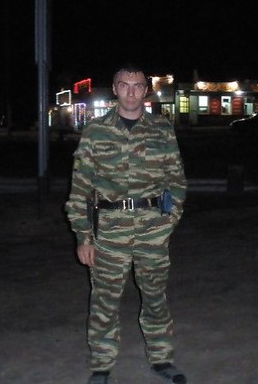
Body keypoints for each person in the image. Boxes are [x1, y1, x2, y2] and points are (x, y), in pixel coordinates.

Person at [65, 64, 188, 384]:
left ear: (146, 90)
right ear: (115, 89)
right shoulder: (96, 131)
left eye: (137, 86)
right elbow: (80, 187)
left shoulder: (161, 129)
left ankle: (162, 358)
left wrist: (169, 221)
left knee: (155, 297)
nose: (131, 92)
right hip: (109, 230)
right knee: (104, 301)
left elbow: (176, 181)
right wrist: (83, 236)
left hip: (152, 229)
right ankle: (101, 365)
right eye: (124, 85)